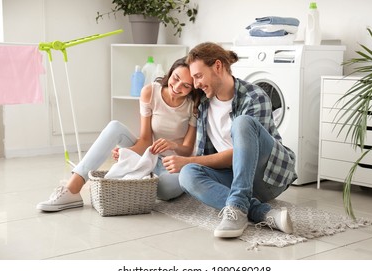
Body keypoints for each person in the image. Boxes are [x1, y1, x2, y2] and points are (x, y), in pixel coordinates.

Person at [164, 42, 298, 238]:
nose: (196, 84)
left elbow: (243, 153)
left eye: (199, 76)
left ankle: (236, 208)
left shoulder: (254, 96)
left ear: (218, 66)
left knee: (243, 122)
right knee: (188, 174)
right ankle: (260, 212)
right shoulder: (203, 103)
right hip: (231, 176)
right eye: (193, 79)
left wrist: (189, 160)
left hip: (266, 176)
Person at [37, 57, 201, 212]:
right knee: (115, 127)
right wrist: (129, 152)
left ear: (193, 88)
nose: (178, 87)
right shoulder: (150, 92)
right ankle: (72, 189)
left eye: (186, 86)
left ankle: (139, 177)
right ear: (170, 72)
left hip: (173, 165)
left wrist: (173, 145)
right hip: (149, 155)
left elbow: (187, 150)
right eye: (176, 78)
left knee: (164, 190)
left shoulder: (193, 105)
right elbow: (145, 140)